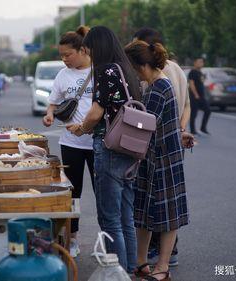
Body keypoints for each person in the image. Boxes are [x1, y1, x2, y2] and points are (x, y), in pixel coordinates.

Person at [66, 25, 141, 273]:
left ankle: (116, 272)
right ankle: (129, 269)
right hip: (130, 147)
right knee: (126, 215)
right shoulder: (126, 68)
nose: (89, 54)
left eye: (88, 49)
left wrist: (82, 129)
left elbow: (97, 112)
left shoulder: (106, 70)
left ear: (97, 47)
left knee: (110, 218)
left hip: (110, 147)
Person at [125, 40, 189, 281]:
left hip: (163, 158)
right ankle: (141, 262)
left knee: (166, 214)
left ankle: (162, 267)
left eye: (131, 67)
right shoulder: (154, 84)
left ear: (141, 66)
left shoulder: (158, 88)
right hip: (155, 156)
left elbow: (145, 126)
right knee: (143, 213)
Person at [42, 26, 94, 258]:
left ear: (82, 50)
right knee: (73, 193)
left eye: (67, 55)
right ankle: (72, 239)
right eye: (61, 55)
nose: (64, 60)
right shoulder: (63, 75)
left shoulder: (100, 71)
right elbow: (53, 102)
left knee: (104, 193)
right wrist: (50, 114)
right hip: (71, 142)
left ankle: (110, 241)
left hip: (98, 143)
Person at [188, 57, 211, 135]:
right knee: (194, 114)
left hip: (202, 96)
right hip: (195, 96)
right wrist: (196, 94)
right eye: (199, 62)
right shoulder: (192, 72)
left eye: (202, 62)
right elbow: (191, 84)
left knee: (208, 110)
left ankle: (203, 128)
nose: (201, 63)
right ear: (195, 63)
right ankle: (192, 130)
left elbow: (201, 83)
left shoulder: (200, 72)